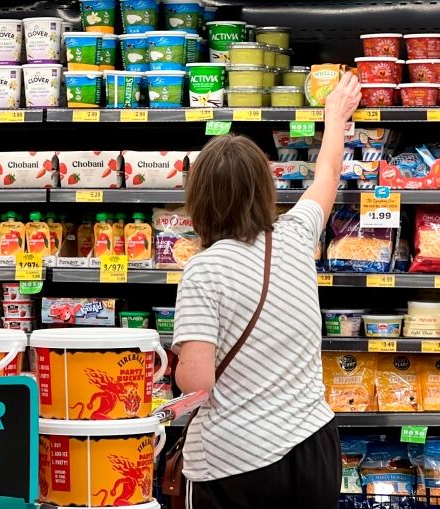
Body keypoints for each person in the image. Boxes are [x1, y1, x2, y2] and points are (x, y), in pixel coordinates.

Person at [171, 72, 361, 509]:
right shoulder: (295, 235)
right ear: (266, 188)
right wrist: (335, 117)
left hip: (238, 458)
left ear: (198, 198)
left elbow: (197, 380)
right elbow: (327, 176)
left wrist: (169, 366)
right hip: (313, 446)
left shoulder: (204, 270)